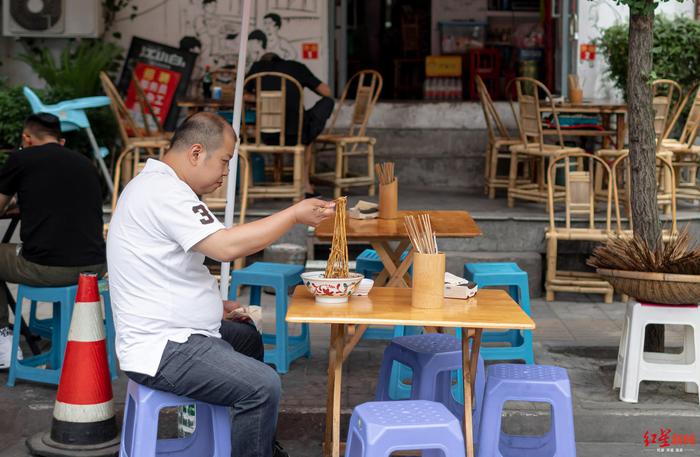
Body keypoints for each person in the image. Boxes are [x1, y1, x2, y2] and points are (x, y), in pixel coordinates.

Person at [107, 112, 334, 457]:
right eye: (225, 161)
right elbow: (225, 246)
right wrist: (292, 215)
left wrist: (216, 306)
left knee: (246, 338)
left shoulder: (162, 185)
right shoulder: (164, 191)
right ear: (196, 153)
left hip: (176, 330)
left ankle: (255, 445)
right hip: (163, 346)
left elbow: (169, 271)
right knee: (263, 385)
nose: (227, 173)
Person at [0, 113, 107, 369]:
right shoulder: (86, 163)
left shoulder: (21, 158)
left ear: (26, 137)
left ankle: (3, 340)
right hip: (96, 267)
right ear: (60, 140)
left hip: (50, 268)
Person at [246, 52, 334, 196]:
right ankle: (306, 185)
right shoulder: (296, 67)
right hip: (297, 136)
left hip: (266, 136)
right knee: (323, 109)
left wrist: (260, 97)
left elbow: (242, 94)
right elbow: (326, 92)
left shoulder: (257, 68)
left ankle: (305, 183)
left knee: (305, 130)